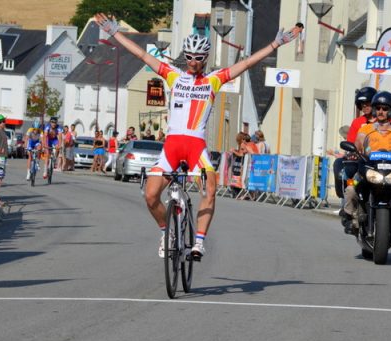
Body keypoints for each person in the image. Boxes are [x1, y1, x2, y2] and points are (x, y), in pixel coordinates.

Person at [95, 13, 302, 258]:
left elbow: (245, 64)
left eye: (198, 58)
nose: (193, 62)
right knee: (150, 196)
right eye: (190, 57)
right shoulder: (173, 75)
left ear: (204, 59)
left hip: (196, 148)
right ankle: (167, 232)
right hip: (171, 147)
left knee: (210, 191)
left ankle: (199, 242)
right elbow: (141, 55)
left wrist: (275, 45)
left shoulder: (214, 80)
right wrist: (114, 33)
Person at [342, 91, 391, 236]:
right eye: (378, 108)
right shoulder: (366, 128)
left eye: (385, 108)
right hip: (370, 167)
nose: (381, 111)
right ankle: (350, 217)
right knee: (351, 190)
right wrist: (354, 150)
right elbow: (358, 141)